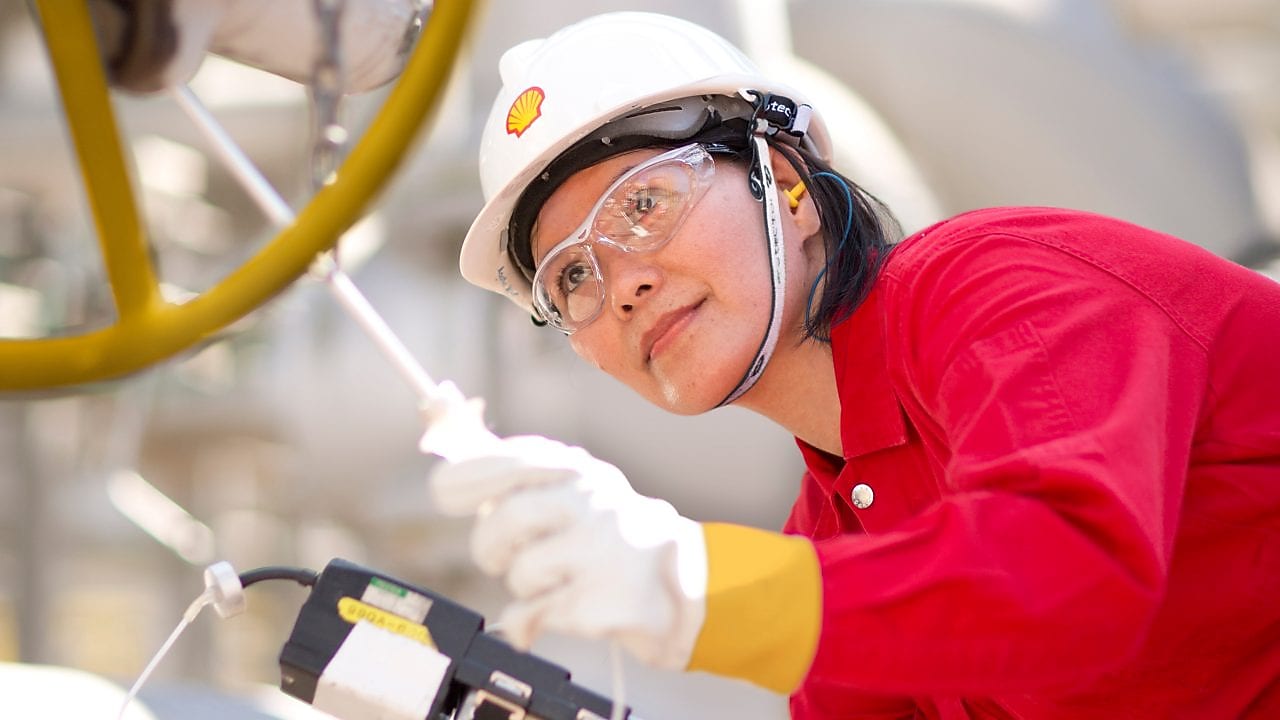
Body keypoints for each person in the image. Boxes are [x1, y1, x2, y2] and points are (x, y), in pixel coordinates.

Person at [427, 11, 1280, 719]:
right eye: (571, 275)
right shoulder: (836, 537)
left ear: (789, 182)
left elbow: (1070, 577)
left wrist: (689, 585)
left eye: (644, 203)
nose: (622, 284)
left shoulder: (1000, 289)